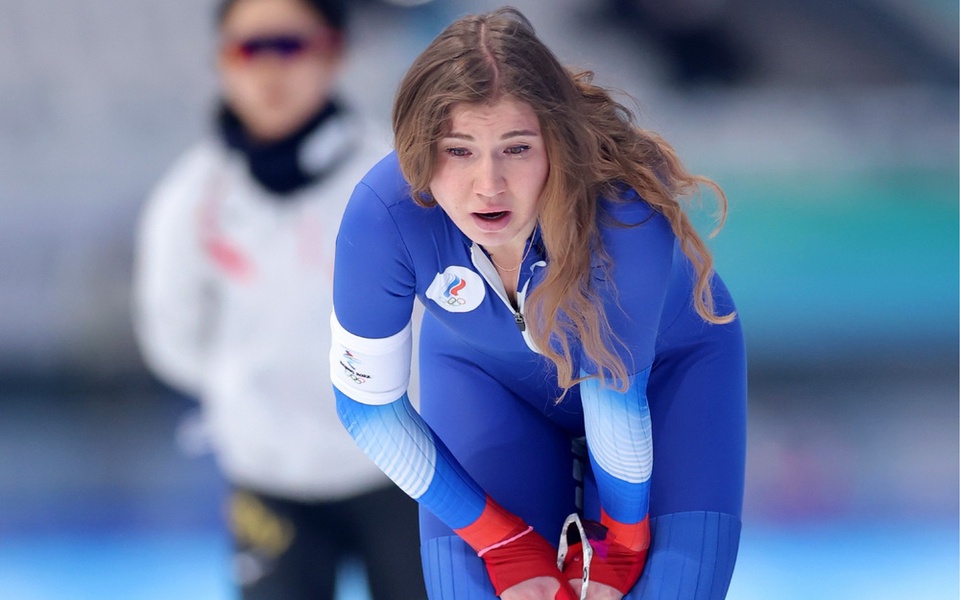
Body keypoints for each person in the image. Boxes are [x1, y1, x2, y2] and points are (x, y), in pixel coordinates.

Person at [330, 6, 747, 600]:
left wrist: (619, 545)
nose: (489, 184)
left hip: (668, 380)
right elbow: (368, 409)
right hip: (485, 381)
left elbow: (615, 403)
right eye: (459, 150)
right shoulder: (383, 215)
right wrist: (497, 538)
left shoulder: (622, 213)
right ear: (418, 152)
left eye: (517, 149)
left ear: (559, 144)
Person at [132, 0, 426, 598]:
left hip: (409, 468)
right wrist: (251, 393)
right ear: (222, 61)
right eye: (247, 49)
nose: (268, 70)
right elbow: (172, 341)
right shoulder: (189, 200)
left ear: (334, 50)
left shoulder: (397, 179)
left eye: (288, 46)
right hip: (269, 478)